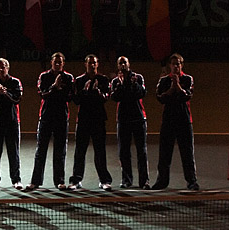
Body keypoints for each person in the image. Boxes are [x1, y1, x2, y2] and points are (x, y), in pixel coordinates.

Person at [26, 52, 74, 190]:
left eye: (60, 62)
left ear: (63, 63)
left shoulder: (69, 78)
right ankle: (35, 181)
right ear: (51, 62)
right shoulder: (44, 76)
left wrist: (58, 90)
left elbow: (70, 97)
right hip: (46, 118)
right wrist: (54, 87)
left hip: (61, 118)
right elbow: (42, 94)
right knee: (41, 150)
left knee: (60, 151)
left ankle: (59, 181)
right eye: (55, 61)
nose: (57, 64)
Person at [152, 53, 198, 190]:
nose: (176, 66)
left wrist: (178, 86)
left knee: (187, 154)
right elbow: (160, 98)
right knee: (164, 154)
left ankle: (192, 181)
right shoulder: (164, 81)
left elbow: (187, 96)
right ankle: (162, 181)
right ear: (170, 66)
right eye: (173, 64)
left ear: (181, 65)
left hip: (184, 121)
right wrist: (172, 89)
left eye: (178, 64)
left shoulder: (188, 79)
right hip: (168, 121)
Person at [68, 54, 113, 191]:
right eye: (89, 63)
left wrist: (98, 92)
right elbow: (75, 100)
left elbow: (106, 97)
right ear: (85, 64)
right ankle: (76, 180)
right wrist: (85, 91)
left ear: (97, 64)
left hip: (98, 120)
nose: (92, 65)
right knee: (80, 151)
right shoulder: (79, 80)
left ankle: (104, 180)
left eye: (94, 63)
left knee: (100, 151)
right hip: (83, 120)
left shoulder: (103, 80)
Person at [110, 56, 150, 189]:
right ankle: (126, 180)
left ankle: (144, 181)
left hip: (138, 119)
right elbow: (115, 97)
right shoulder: (116, 81)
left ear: (129, 64)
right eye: (120, 63)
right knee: (124, 151)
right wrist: (121, 85)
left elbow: (142, 93)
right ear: (118, 65)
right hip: (123, 120)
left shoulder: (138, 78)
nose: (122, 65)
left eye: (124, 62)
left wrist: (133, 84)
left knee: (141, 151)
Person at [0, 58, 23, 190]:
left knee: (14, 152)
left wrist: (6, 93)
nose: (1, 69)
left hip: (12, 123)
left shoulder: (15, 82)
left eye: (4, 67)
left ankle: (16, 179)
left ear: (8, 67)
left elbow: (17, 99)